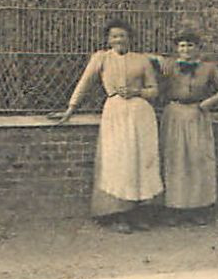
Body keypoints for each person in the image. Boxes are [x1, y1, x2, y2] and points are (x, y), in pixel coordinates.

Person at [50, 20, 162, 233]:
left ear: (130, 37)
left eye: (122, 36)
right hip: (115, 112)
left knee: (140, 161)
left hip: (141, 114)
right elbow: (84, 83)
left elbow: (153, 90)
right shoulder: (101, 58)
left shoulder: (141, 60)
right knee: (118, 161)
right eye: (114, 36)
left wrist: (137, 92)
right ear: (108, 39)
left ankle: (138, 213)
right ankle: (117, 214)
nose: (118, 40)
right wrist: (70, 109)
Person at [158, 31, 218, 225]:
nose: (185, 49)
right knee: (175, 159)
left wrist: (207, 103)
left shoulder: (209, 68)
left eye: (190, 45)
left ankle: (197, 208)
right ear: (176, 49)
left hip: (197, 113)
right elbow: (143, 60)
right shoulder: (170, 65)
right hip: (174, 113)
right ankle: (174, 208)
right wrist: (158, 59)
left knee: (197, 159)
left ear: (198, 48)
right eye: (181, 46)